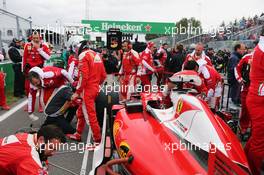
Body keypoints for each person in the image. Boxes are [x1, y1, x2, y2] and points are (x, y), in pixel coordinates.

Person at [67, 41, 106, 143]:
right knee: (80, 112)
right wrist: (96, 84)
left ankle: (97, 140)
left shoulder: (83, 55)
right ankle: (78, 134)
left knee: (90, 115)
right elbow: (103, 76)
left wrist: (77, 92)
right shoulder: (96, 54)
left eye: (75, 50)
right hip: (94, 88)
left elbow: (83, 76)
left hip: (86, 90)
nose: (75, 52)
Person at [0, 125, 66, 175]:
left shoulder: (26, 135)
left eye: (55, 149)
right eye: (51, 148)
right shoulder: (29, 160)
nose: (53, 153)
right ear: (41, 140)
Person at [244, 28, 264, 175]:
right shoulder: (262, 51)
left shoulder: (260, 49)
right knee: (260, 142)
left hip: (257, 98)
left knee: (257, 138)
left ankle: (244, 161)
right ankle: (252, 171)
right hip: (259, 101)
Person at [23, 31, 51, 113]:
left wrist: (39, 50)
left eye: (37, 38)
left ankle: (41, 105)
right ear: (31, 38)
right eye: (34, 38)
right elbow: (24, 57)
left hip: (40, 69)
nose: (35, 39)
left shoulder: (44, 45)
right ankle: (30, 105)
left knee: (41, 87)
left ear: (40, 38)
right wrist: (23, 70)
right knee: (29, 89)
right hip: (29, 70)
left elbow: (48, 57)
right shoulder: (27, 45)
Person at [234, 52, 253, 133]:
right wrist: (240, 79)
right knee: (245, 108)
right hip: (246, 87)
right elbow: (237, 68)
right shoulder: (247, 57)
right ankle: (244, 127)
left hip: (259, 88)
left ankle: (254, 128)